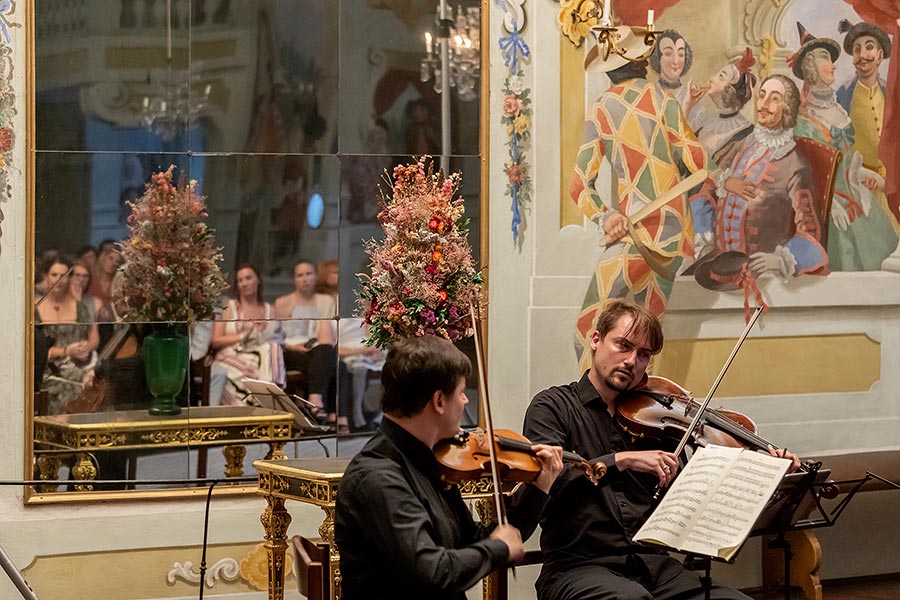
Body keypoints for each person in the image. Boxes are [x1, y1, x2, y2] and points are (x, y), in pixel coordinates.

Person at [524, 301, 799, 600]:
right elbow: (549, 477)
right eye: (623, 345)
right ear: (595, 339)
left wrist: (766, 473)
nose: (631, 360)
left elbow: (690, 495)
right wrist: (621, 460)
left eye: (643, 354)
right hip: (577, 568)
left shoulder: (658, 420)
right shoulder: (551, 407)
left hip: (655, 568)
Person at [334, 335, 565, 600]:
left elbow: (475, 539)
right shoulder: (378, 478)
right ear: (439, 401)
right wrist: (497, 548)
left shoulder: (429, 462)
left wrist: (539, 488)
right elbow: (434, 573)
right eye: (462, 392)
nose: (466, 401)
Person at [571, 26, 709, 370]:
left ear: (609, 68)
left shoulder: (604, 105)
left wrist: (606, 216)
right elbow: (699, 164)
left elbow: (579, 186)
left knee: (588, 331)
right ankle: (634, 419)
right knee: (645, 339)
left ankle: (593, 417)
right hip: (674, 239)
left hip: (636, 234)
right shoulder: (667, 102)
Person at [690, 74, 828, 278]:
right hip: (718, 265)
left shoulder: (795, 164)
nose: (763, 104)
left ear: (787, 106)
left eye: (774, 98)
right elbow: (708, 181)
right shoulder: (746, 143)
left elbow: (812, 232)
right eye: (762, 96)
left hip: (758, 273)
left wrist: (779, 260)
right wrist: (725, 183)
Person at [792, 23, 897, 271]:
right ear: (811, 67)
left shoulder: (884, 95)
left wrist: (863, 176)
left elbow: (847, 162)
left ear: (881, 55)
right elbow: (806, 173)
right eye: (826, 59)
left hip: (866, 191)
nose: (834, 65)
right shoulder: (826, 107)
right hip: (831, 205)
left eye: (869, 48)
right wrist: (830, 203)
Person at [836, 19, 899, 236]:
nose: (863, 55)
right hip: (858, 187)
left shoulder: (892, 94)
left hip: (892, 185)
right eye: (857, 50)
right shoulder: (842, 96)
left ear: (880, 55)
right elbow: (837, 148)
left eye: (869, 47)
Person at [274, 259, 347, 432]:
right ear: (294, 279)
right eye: (300, 275)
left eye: (309, 274)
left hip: (316, 350)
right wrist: (293, 347)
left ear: (315, 277)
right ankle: (335, 415)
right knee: (336, 363)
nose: (305, 279)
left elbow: (327, 334)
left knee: (333, 358)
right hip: (290, 351)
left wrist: (316, 344)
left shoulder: (325, 301)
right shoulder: (282, 302)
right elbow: (275, 336)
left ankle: (317, 401)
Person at [210, 263, 285, 406]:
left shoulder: (270, 310)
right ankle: (264, 398)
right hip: (232, 355)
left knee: (272, 348)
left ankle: (263, 395)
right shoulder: (229, 307)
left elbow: (277, 337)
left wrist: (262, 331)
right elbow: (216, 340)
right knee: (264, 359)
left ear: (258, 281)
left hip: (261, 355)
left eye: (248, 278)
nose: (244, 283)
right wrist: (243, 335)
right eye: (240, 280)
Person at [35, 256, 100, 414]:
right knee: (72, 383)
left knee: (93, 382)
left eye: (64, 276)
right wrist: (66, 351)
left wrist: (84, 348)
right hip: (48, 370)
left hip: (79, 365)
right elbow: (36, 350)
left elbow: (93, 338)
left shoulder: (80, 307)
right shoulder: (35, 306)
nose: (60, 280)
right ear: (46, 276)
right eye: (54, 275)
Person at [691, 48, 757, 170]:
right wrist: (688, 104)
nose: (711, 78)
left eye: (721, 76)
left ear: (730, 90)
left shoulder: (747, 133)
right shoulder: (706, 123)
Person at [649, 30, 702, 126]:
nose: (675, 61)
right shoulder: (649, 93)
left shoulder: (691, 97)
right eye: (668, 54)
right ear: (657, 57)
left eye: (681, 55)